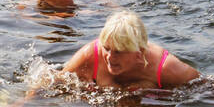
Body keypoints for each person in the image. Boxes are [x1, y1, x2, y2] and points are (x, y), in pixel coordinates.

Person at [60, 10, 198, 90]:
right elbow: (52, 82)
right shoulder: (90, 55)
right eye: (107, 48)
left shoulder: (168, 69)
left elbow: (208, 91)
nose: (109, 57)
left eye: (118, 51)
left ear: (140, 54)